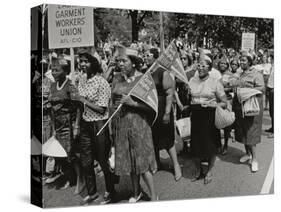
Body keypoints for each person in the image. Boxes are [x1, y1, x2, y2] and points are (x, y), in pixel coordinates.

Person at [111, 46, 157, 202]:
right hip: (121, 124)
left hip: (139, 126)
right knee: (131, 162)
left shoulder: (144, 80)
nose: (121, 64)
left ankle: (153, 196)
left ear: (134, 62)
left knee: (142, 163)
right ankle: (136, 192)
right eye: (119, 61)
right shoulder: (117, 78)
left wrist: (133, 104)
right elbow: (113, 102)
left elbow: (152, 107)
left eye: (124, 61)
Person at [77, 51, 117, 205]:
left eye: (85, 61)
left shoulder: (102, 82)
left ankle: (110, 190)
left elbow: (101, 109)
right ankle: (92, 192)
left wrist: (83, 100)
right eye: (80, 61)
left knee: (102, 159)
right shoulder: (81, 80)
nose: (82, 64)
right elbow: (81, 104)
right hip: (86, 124)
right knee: (86, 161)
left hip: (100, 123)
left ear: (93, 63)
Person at [145, 48, 182, 181]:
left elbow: (169, 93)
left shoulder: (163, 72)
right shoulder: (146, 72)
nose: (145, 57)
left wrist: (167, 112)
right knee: (154, 137)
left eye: (148, 55)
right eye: (145, 55)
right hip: (151, 109)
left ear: (155, 57)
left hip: (162, 108)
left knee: (167, 138)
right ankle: (158, 162)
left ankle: (176, 165)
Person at [189, 57, 227, 184]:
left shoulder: (215, 82)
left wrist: (213, 105)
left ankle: (209, 171)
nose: (200, 68)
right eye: (199, 65)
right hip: (196, 116)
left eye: (204, 66)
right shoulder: (191, 81)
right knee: (195, 145)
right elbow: (189, 98)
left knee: (210, 145)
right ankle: (199, 170)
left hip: (210, 117)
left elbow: (224, 102)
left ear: (210, 69)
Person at [48, 57, 81, 189]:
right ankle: (68, 176)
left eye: (57, 70)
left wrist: (77, 125)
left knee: (69, 154)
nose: (53, 72)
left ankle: (75, 179)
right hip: (56, 124)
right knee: (59, 153)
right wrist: (53, 127)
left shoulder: (70, 86)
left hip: (69, 124)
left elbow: (78, 106)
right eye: (52, 70)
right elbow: (51, 108)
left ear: (64, 71)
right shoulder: (52, 86)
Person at [232, 54, 264, 172]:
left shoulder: (256, 74)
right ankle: (248, 154)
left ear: (250, 62)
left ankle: (255, 159)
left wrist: (246, 91)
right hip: (240, 107)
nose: (241, 62)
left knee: (251, 132)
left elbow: (262, 88)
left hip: (251, 107)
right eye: (240, 60)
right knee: (242, 131)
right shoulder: (240, 73)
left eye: (244, 60)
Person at [217, 57, 234, 155]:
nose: (222, 65)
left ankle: (226, 145)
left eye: (224, 63)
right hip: (217, 101)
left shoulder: (230, 75)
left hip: (227, 101)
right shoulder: (215, 73)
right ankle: (218, 144)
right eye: (221, 63)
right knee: (216, 123)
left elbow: (232, 87)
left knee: (226, 124)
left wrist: (223, 88)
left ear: (227, 65)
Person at [265, 54, 274, 137]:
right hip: (271, 90)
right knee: (271, 111)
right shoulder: (272, 67)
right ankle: (273, 127)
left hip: (274, 90)